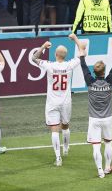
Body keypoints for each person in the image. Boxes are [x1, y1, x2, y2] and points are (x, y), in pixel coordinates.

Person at [30, 35, 85, 167]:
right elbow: (83, 53)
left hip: (52, 102)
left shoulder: (49, 65)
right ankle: (65, 148)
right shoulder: (69, 65)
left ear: (55, 54)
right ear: (65, 55)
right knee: (65, 125)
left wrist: (43, 46)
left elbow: (34, 58)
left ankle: (58, 157)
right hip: (66, 102)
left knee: (54, 130)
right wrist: (75, 39)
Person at [75, 35, 112, 179]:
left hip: (94, 119)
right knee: (108, 143)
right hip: (107, 118)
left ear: (94, 72)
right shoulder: (109, 81)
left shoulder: (90, 82)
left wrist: (82, 54)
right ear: (104, 72)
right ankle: (107, 167)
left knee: (96, 145)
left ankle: (100, 171)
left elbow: (83, 66)